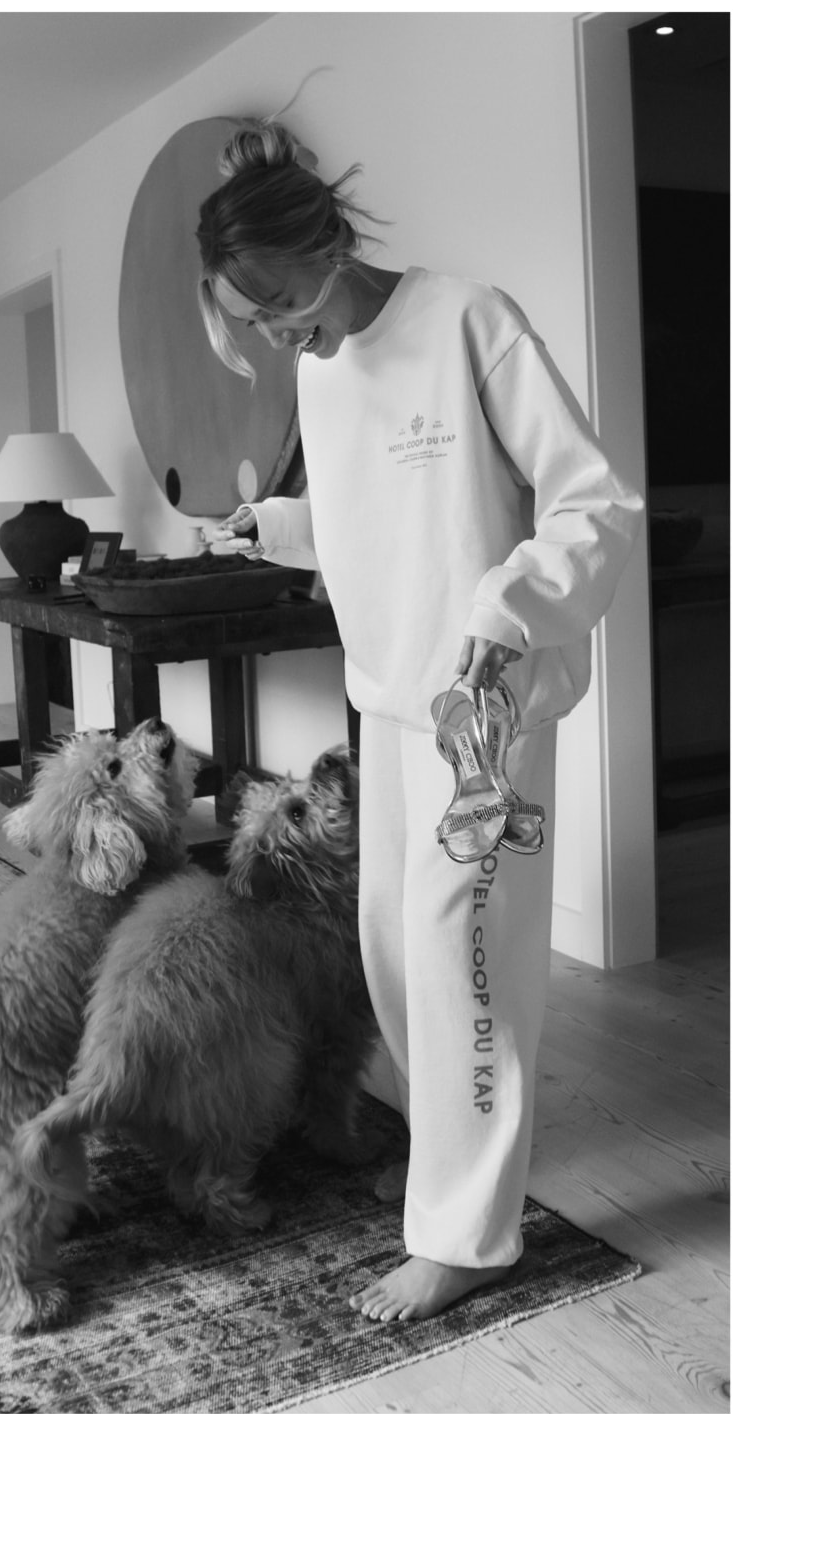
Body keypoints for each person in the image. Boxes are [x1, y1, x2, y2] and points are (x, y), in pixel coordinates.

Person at [195, 115, 643, 1322]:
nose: (283, 336)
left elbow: (597, 504)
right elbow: (381, 514)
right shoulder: (322, 365)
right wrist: (273, 528)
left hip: (483, 709)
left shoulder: (466, 320)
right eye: (256, 324)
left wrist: (510, 608)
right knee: (396, 953)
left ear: (330, 246)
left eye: (284, 306)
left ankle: (466, 1235)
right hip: (389, 699)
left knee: (460, 960)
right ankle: (461, 1168)